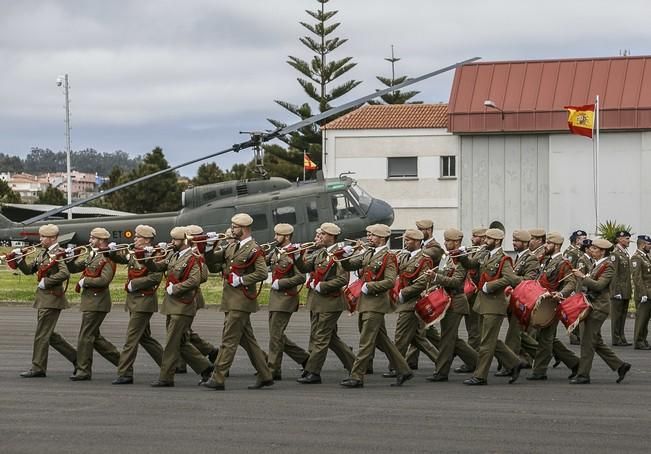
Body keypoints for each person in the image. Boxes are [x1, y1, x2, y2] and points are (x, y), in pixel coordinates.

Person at [202, 213, 273, 391]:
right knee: (248, 341)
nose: (232, 230)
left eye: (234, 227)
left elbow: (262, 273)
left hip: (241, 301)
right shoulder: (232, 246)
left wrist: (242, 280)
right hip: (231, 300)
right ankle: (265, 375)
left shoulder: (253, 249)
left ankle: (218, 378)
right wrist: (208, 248)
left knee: (229, 340)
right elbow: (213, 266)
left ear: (244, 228)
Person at [340, 224, 413, 388]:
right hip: (366, 302)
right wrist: (347, 252)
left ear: (381, 237)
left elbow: (389, 281)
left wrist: (370, 286)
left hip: (376, 303)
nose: (369, 238)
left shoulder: (389, 257)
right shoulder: (369, 253)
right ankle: (403, 370)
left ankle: (357, 376)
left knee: (366, 341)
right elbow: (349, 265)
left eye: (372, 235)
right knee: (382, 340)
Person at [144, 227, 214, 387]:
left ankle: (166, 377)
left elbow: (195, 280)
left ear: (184, 241)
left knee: (171, 343)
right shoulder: (173, 255)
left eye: (175, 240)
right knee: (181, 342)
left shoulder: (192, 257)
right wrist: (147, 258)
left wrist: (175, 288)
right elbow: (157, 267)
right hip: (172, 305)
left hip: (183, 305)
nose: (171, 242)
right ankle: (207, 369)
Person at [458, 228, 524, 385]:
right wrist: (461, 255)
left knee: (486, 343)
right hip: (482, 303)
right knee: (489, 339)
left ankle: (480, 376)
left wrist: (492, 285)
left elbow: (512, 279)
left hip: (494, 304)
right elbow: (471, 264)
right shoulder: (484, 253)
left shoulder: (504, 259)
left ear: (497, 241)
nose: (484, 240)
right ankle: (514, 363)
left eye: (488, 239)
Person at [294, 223, 355, 384]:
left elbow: (343, 279)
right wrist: (297, 256)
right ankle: (356, 366)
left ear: (331, 236)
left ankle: (313, 372)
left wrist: (323, 286)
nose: (318, 237)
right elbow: (306, 267)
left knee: (321, 337)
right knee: (330, 338)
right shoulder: (321, 253)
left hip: (331, 302)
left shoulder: (339, 254)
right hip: (318, 301)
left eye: (322, 235)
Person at [14, 224, 77, 378]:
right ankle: (79, 359)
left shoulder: (57, 253)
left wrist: (47, 282)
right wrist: (19, 259)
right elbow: (30, 270)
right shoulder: (43, 253)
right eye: (41, 236)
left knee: (42, 334)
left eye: (43, 237)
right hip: (44, 298)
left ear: (53, 238)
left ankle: (38, 367)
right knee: (50, 335)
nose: (40, 239)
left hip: (52, 298)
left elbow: (65, 273)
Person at [108, 224, 164, 385]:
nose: (134, 239)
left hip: (144, 301)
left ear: (146, 239)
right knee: (145, 338)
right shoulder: (135, 252)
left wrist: (135, 284)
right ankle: (169, 364)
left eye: (138, 236)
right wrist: (112, 252)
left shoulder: (154, 254)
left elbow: (155, 277)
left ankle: (125, 373)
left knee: (131, 339)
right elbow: (122, 259)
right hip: (135, 301)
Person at [571, 238, 631, 384]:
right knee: (596, 341)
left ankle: (583, 375)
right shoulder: (596, 264)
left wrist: (583, 276)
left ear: (602, 251)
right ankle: (620, 365)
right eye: (591, 248)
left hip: (598, 308)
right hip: (591, 306)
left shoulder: (608, 266)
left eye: (594, 249)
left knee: (587, 341)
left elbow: (599, 285)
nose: (591, 250)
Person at [67, 227, 120, 381]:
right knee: (94, 337)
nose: (90, 241)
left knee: (85, 336)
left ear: (102, 240)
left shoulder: (107, 258)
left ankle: (83, 370)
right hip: (91, 301)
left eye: (93, 238)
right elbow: (75, 268)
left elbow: (104, 280)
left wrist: (86, 281)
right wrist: (70, 258)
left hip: (97, 301)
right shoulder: (93, 255)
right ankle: (123, 362)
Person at [384, 229, 438, 378]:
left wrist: (404, 293)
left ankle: (396, 367)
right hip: (405, 301)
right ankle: (442, 362)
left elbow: (422, 282)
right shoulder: (405, 256)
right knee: (417, 339)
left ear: (416, 241)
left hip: (412, 302)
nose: (405, 243)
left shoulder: (424, 259)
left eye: (407, 240)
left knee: (400, 336)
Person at [426, 228, 478, 382]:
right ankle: (478, 362)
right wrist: (434, 276)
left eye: (448, 240)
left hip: (456, 301)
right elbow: (444, 274)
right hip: (447, 301)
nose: (445, 243)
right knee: (452, 339)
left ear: (456, 242)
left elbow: (456, 281)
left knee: (447, 339)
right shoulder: (448, 257)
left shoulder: (461, 258)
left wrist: (436, 277)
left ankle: (441, 372)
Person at [526, 232, 579, 380]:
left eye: (548, 243)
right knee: (545, 338)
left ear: (556, 245)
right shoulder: (546, 260)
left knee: (545, 339)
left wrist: (561, 294)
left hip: (551, 305)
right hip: (541, 303)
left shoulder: (563, 263)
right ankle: (575, 363)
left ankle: (539, 371)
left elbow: (571, 282)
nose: (545, 245)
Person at [266, 223, 309, 380]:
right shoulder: (276, 251)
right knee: (276, 335)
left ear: (287, 237)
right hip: (275, 298)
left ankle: (272, 369)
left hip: (285, 298)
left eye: (278, 235)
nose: (274, 238)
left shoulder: (294, 253)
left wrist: (281, 283)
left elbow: (300, 277)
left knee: (275, 336)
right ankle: (304, 358)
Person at [502, 229, 539, 373]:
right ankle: (540, 355)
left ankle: (509, 365)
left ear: (526, 243)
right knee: (519, 334)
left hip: (523, 300)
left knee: (513, 334)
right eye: (513, 240)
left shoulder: (531, 259)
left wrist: (511, 279)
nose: (514, 243)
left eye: (517, 241)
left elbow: (529, 280)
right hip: (515, 299)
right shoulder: (518, 258)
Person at [610, 230, 632, 346]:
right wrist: (616, 291)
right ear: (619, 239)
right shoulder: (615, 254)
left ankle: (621, 337)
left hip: (625, 289)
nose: (629, 241)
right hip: (618, 290)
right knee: (616, 316)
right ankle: (616, 338)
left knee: (623, 315)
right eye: (627, 239)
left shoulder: (625, 253)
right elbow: (614, 274)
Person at [631, 235, 651, 350]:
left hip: (648, 292)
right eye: (649, 244)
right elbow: (637, 277)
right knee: (641, 319)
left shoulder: (645, 257)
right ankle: (638, 341)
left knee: (646, 318)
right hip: (644, 293)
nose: (650, 247)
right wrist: (643, 293)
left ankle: (643, 339)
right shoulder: (636, 258)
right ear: (643, 245)